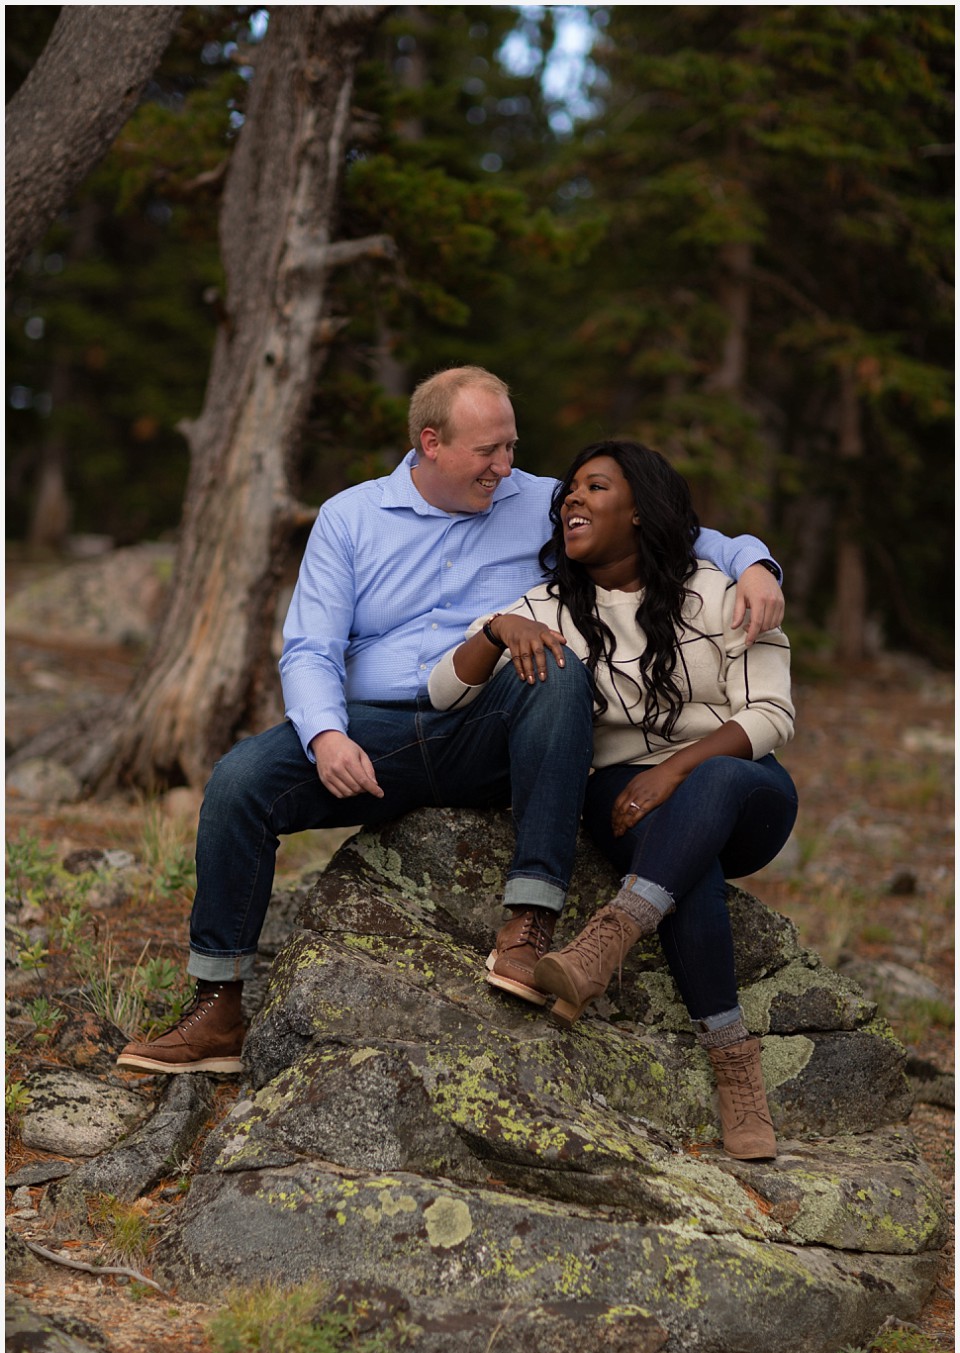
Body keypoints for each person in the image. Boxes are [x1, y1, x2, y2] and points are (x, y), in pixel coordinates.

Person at [116, 371, 784, 1077]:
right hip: (378, 734)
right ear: (430, 443)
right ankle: (217, 1004)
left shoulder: (539, 502)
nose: (505, 466)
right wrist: (326, 734)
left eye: (511, 447)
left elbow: (674, 527)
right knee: (238, 781)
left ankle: (529, 922)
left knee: (556, 670)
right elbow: (311, 647)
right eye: (488, 451)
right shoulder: (350, 517)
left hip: (489, 727)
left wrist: (755, 562)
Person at [429, 439, 797, 1160]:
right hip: (620, 798)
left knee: (712, 782)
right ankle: (736, 1069)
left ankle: (611, 936)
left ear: (639, 512)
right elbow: (445, 691)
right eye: (568, 490)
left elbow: (773, 715)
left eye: (594, 488)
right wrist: (497, 630)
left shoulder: (724, 592)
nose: (570, 499)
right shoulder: (550, 606)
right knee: (687, 879)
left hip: (738, 786)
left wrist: (675, 769)